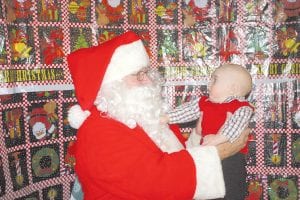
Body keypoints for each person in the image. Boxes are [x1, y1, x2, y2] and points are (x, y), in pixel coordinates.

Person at [67, 31, 250, 200]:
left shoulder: (147, 117)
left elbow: (175, 155)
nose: (147, 80)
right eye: (138, 75)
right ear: (111, 87)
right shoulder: (98, 130)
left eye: (146, 73)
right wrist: (219, 152)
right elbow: (154, 181)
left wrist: (199, 136)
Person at [161, 63, 254, 200]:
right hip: (208, 155)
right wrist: (167, 117)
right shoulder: (204, 102)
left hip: (231, 157)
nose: (208, 84)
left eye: (214, 80)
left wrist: (219, 138)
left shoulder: (242, 107)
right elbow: (188, 110)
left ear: (233, 88)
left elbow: (236, 125)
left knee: (230, 190)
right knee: (207, 190)